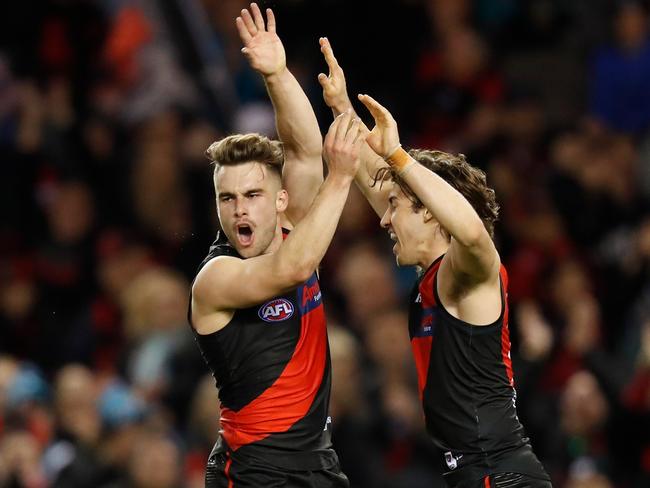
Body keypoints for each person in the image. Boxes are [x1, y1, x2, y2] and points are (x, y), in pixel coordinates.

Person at [318, 38, 552, 488]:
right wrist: (342, 107)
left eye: (398, 207)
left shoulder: (468, 272)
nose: (384, 219)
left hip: (499, 476)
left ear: (429, 210)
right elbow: (372, 180)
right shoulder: (433, 277)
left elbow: (470, 232)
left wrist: (399, 156)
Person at [188, 6, 363, 487]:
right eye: (227, 198)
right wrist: (341, 179)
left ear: (280, 200)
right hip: (252, 473)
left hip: (320, 465)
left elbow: (305, 151)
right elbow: (295, 267)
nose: (239, 210)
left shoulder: (294, 229)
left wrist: (278, 74)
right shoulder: (216, 278)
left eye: (252, 195)